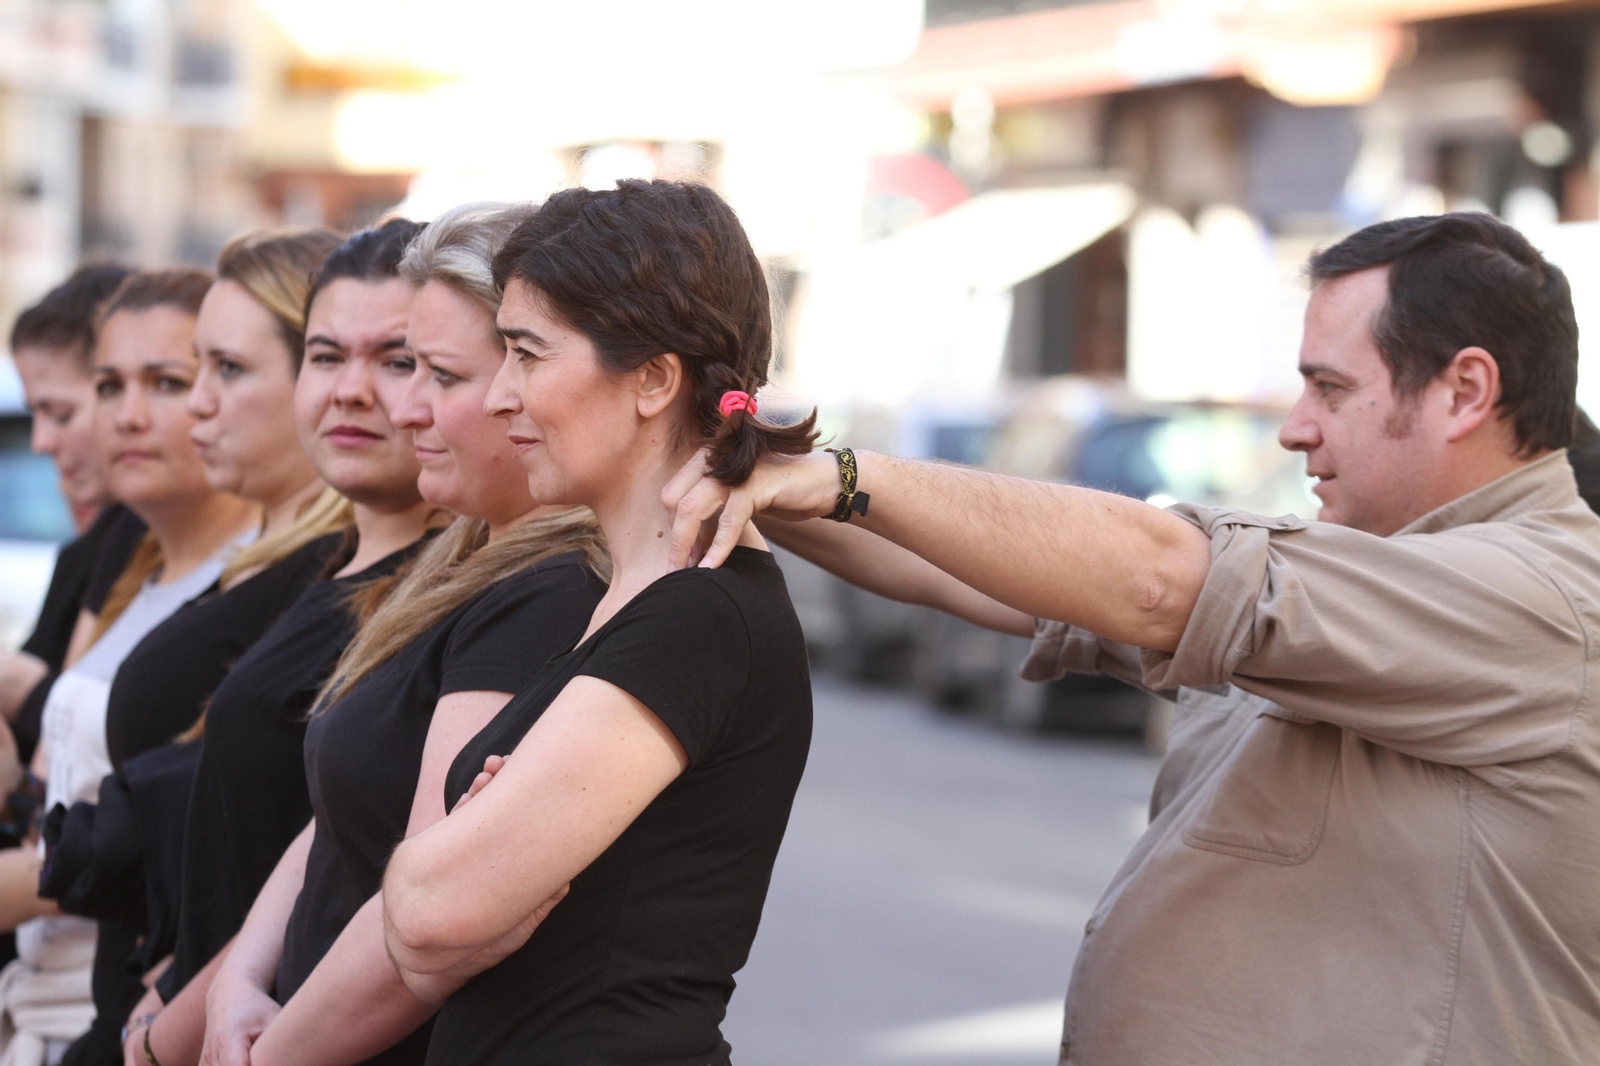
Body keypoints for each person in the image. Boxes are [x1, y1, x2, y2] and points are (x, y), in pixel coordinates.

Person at [664, 212, 1600, 1065]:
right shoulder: (1370, 575)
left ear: (1465, 391)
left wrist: (847, 474)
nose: (1293, 428)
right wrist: (740, 464)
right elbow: (969, 572)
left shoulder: (1544, 596)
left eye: (1329, 387)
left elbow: (1156, 579)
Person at [379, 180, 814, 1066]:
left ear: (653, 379)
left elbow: (428, 914)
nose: (502, 395)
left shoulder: (697, 612)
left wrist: (448, 857)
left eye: (528, 355)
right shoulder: (642, 592)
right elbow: (426, 942)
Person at [203, 205, 609, 1066]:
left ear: (528, 382)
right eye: (408, 367)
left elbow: (422, 922)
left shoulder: (550, 593)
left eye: (437, 375)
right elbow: (333, 827)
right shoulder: (463, 554)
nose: (405, 406)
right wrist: (239, 976)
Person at [126, 220, 443, 1066]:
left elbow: (347, 867)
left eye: (399, 359)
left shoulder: (445, 596)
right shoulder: (331, 565)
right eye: (328, 355)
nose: (352, 390)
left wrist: (172, 1032)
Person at [37, 232, 355, 1066]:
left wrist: (163, 1028)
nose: (190, 407)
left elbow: (334, 859)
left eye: (219, 372)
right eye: (109, 386)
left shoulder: (326, 581)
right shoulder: (140, 559)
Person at [0, 270, 261, 1066]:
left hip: (122, 1014)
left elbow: (148, 841)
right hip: (41, 1000)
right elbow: (46, 793)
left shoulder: (266, 585)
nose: (131, 415)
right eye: (109, 386)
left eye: (169, 382)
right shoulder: (124, 553)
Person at [2, 265, 145, 765]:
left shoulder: (143, 535)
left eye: (61, 414)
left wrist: (23, 688)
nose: (42, 441)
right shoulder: (94, 545)